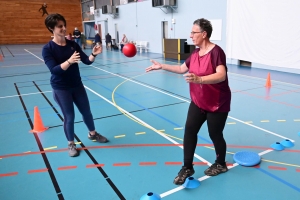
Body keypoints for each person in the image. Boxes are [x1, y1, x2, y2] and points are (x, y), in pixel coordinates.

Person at [146, 18, 231, 185]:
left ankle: (221, 164)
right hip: (198, 102)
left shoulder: (216, 52)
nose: (191, 35)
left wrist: (200, 79)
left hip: (217, 103)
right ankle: (187, 167)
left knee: (215, 134)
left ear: (204, 34)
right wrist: (161, 66)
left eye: (194, 32)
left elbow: (221, 75)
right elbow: (180, 69)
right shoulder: (194, 54)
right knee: (189, 131)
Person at [42, 13, 109, 157]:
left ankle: (92, 134)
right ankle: (71, 143)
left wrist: (94, 54)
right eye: (60, 26)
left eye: (64, 25)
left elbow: (87, 61)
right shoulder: (48, 49)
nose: (64, 28)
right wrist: (70, 61)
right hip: (61, 88)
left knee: (87, 112)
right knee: (69, 116)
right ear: (51, 28)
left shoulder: (72, 45)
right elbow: (54, 70)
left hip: (77, 85)